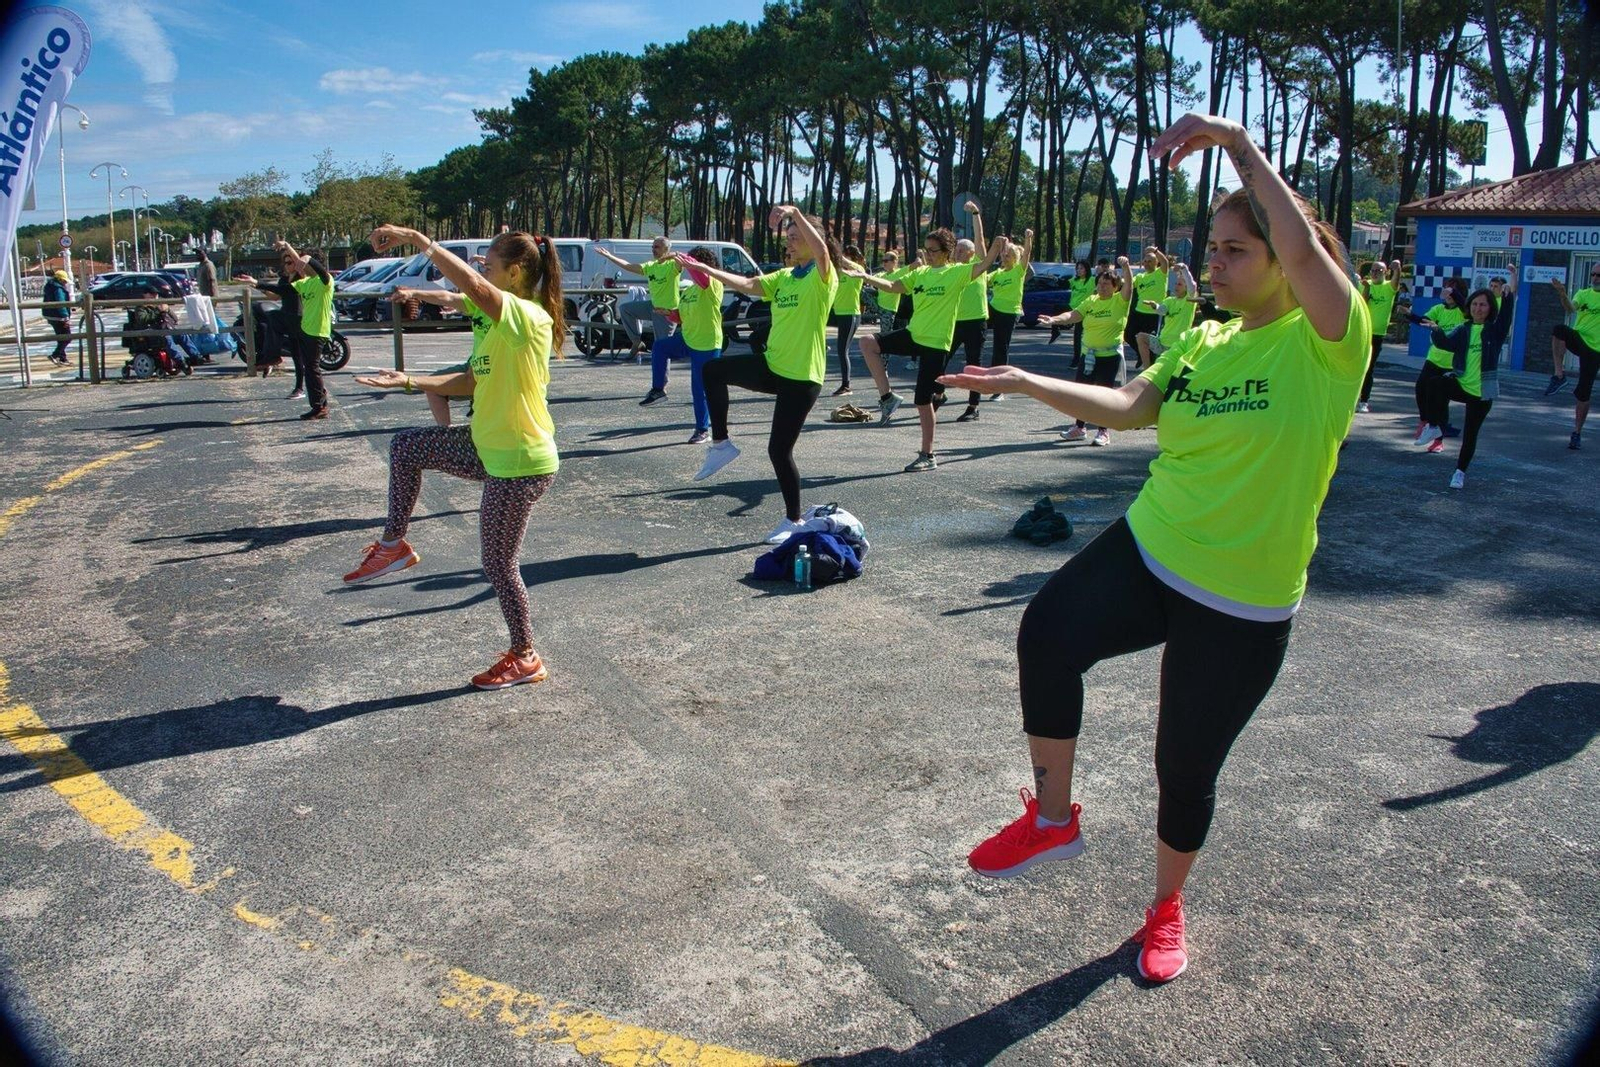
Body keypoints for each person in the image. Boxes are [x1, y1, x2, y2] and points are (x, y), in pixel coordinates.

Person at [943, 112, 1369, 985]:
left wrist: (1239, 146)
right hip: (1154, 543)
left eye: (1235, 250)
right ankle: (1053, 820)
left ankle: (1167, 905)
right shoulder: (1204, 338)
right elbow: (1132, 406)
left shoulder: (1329, 342)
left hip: (1243, 594)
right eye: (1211, 248)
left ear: (1286, 260)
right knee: (1047, 632)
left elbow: (1302, 250)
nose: (1213, 263)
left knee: (1183, 765)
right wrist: (1025, 381)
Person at [346, 226, 566, 690]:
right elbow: (470, 380)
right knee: (406, 446)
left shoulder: (528, 317)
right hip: (486, 446)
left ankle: (525, 656)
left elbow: (475, 288)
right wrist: (410, 381)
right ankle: (393, 545)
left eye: (490, 264)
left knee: (498, 564)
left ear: (515, 272)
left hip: (520, 463)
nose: (483, 269)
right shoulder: (494, 325)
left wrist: (419, 241)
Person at [679, 206, 835, 544]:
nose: (789, 243)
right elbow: (749, 284)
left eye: (795, 238)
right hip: (773, 365)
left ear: (812, 240)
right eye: (788, 237)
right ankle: (721, 444)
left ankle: (793, 520)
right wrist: (707, 269)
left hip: (802, 376)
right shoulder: (784, 277)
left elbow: (822, 252)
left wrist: (795, 212)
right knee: (713, 370)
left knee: (779, 451)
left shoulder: (822, 277)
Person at [852, 227, 1006, 471]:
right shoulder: (921, 273)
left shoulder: (957, 272)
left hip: (936, 344)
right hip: (914, 334)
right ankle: (888, 398)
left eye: (933, 250)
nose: (928, 254)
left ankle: (928, 454)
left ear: (946, 252)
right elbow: (892, 285)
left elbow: (984, 264)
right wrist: (865, 277)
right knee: (867, 342)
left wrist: (996, 246)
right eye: (926, 250)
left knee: (922, 401)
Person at [1414, 277, 1517, 489]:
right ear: (1469, 307)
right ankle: (1434, 426)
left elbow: (1506, 316)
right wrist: (1436, 329)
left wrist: (1508, 295)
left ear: (1490, 308)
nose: (1478, 308)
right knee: (1433, 383)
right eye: (1475, 304)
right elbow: (1445, 344)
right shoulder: (1464, 329)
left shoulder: (1495, 331)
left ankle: (1459, 473)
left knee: (1470, 436)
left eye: (1483, 305)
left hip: (1482, 393)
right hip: (1461, 385)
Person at [1037, 257, 1135, 446]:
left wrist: (1126, 267)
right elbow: (1073, 315)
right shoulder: (1091, 301)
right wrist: (1054, 319)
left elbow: (1129, 287)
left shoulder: (1120, 301)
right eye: (1100, 283)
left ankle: (1103, 431)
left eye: (1106, 284)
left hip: (1109, 356)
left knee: (1104, 395)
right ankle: (1079, 428)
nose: (1102, 287)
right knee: (1081, 393)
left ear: (1115, 287)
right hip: (1088, 355)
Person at [640, 246, 724, 444]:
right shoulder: (689, 290)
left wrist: (678, 256)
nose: (684, 267)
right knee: (660, 347)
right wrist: (669, 314)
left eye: (688, 263)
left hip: (706, 344)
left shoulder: (713, 283)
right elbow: (681, 316)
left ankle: (702, 430)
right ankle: (658, 390)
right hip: (688, 339)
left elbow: (699, 273)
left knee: (699, 389)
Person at [388, 286, 494, 427]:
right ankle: (446, 432)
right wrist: (413, 293)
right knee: (433, 387)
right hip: (475, 365)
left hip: (499, 370)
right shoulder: (479, 302)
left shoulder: (508, 305)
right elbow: (448, 297)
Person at [959, 229, 1034, 421]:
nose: (1004, 258)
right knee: (977, 325)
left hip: (1009, 313)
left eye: (1008, 256)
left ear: (1015, 258)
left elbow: (1026, 254)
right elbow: (980, 276)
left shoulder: (1018, 271)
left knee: (1001, 348)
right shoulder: (998, 273)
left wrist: (1028, 239)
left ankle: (999, 388)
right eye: (1003, 255)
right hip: (994, 308)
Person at [596, 237, 679, 357]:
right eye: (652, 247)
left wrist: (669, 256)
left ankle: (663, 368)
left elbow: (685, 258)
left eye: (657, 247)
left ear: (666, 249)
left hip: (667, 311)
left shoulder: (673, 265)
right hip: (653, 307)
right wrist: (609, 256)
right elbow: (628, 266)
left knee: (662, 348)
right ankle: (637, 342)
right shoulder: (651, 265)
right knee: (625, 309)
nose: (653, 250)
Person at [1546, 271, 1600, 450]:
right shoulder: (1583, 293)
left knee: (1584, 392)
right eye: (1593, 274)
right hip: (1580, 338)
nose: (1595, 278)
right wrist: (1562, 294)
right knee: (1559, 330)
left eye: (1599, 275)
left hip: (1595, 350)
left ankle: (1577, 433)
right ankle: (1559, 375)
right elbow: (1570, 308)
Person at [1408, 279, 1466, 442]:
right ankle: (1425, 421)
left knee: (1441, 400)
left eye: (1452, 291)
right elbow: (1424, 321)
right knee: (1421, 388)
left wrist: (1454, 293)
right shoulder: (1438, 309)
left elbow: (1464, 305)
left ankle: (1438, 441)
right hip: (1434, 358)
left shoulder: (1464, 311)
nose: (1448, 293)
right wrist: (1408, 314)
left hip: (1451, 363)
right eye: (1446, 290)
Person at [948, 204, 991, 406]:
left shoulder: (978, 265)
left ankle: (973, 405)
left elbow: (979, 239)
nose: (957, 253)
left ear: (971, 253)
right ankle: (938, 393)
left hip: (976, 321)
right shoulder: (953, 269)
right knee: (942, 358)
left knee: (974, 365)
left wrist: (975, 214)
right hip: (955, 321)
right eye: (956, 250)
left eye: (961, 250)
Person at [1134, 262, 1201, 370]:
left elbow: (1192, 286)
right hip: (1162, 343)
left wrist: (1184, 268)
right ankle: (1146, 368)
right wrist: (1155, 306)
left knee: (1168, 371)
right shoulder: (1169, 300)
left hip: (1178, 345)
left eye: (1180, 284)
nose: (1176, 286)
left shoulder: (1189, 301)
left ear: (1186, 287)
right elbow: (1162, 311)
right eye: (1176, 284)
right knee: (1141, 337)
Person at [1358, 258, 1404, 414]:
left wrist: (1397, 268)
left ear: (1385, 272)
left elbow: (1396, 282)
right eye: (1373, 270)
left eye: (1379, 270)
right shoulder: (1365, 284)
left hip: (1377, 335)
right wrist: (1366, 288)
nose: (1375, 273)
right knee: (1357, 367)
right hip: (1362, 333)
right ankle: (1353, 398)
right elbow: (1362, 303)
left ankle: (1364, 401)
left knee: (1369, 368)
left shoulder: (1388, 287)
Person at [828, 244, 867, 396]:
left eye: (846, 255)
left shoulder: (859, 270)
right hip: (837, 313)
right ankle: (822, 346)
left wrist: (838, 256)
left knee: (842, 350)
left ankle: (846, 386)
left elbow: (849, 265)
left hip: (850, 315)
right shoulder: (839, 272)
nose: (843, 258)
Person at [1126, 245, 1170, 364]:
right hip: (1139, 313)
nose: (1146, 264)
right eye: (1145, 261)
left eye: (1150, 261)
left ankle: (1149, 365)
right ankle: (1141, 354)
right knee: (1128, 335)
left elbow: (1165, 262)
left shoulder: (1161, 273)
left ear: (1156, 263)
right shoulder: (1140, 277)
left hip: (1154, 314)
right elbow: (1128, 284)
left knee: (1151, 342)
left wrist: (1155, 251)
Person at [43, 269, 72, 365]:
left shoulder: (49, 286)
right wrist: (66, 317)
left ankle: (62, 358)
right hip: (58, 316)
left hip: (50, 315)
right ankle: (55, 355)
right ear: (60, 280)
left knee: (61, 337)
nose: (65, 283)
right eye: (64, 281)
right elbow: (61, 303)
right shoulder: (58, 289)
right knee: (67, 337)